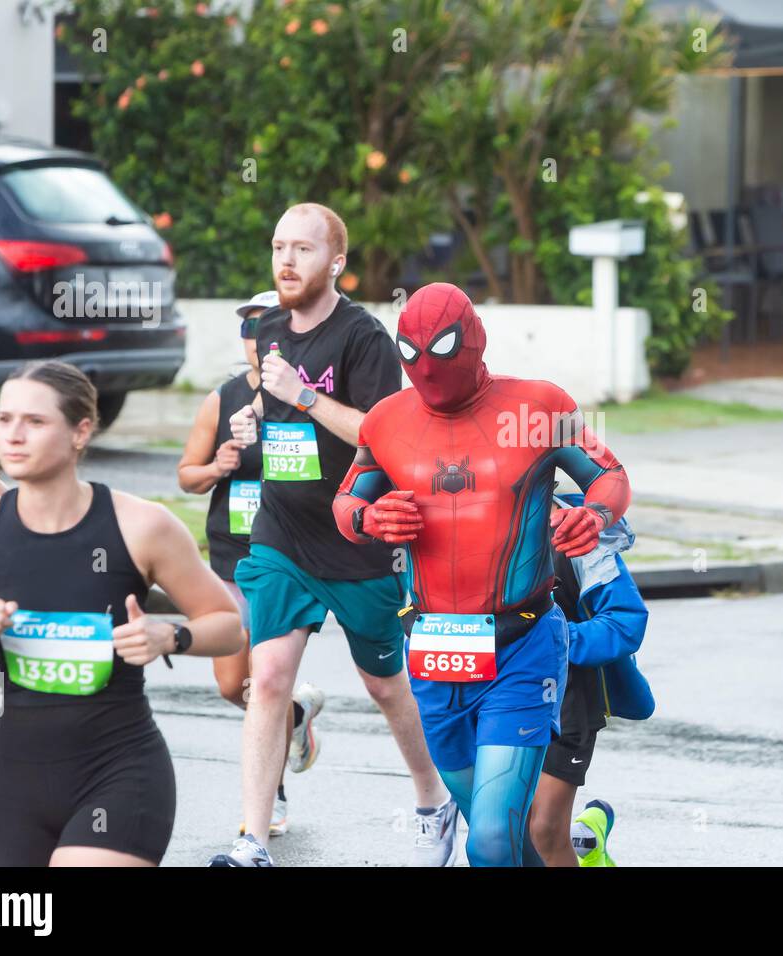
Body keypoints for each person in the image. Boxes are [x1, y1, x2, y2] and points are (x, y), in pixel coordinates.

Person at [333, 282, 632, 867]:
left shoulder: (537, 408)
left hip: (521, 644)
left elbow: (610, 473)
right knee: (505, 838)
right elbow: (344, 504)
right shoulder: (386, 422)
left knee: (491, 837)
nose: (425, 367)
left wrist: (594, 515)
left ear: (474, 340)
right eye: (410, 352)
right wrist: (370, 516)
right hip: (435, 650)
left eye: (441, 348)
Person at [0, 360, 244, 866]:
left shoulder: (143, 525)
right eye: (5, 420)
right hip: (16, 783)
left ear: (81, 431)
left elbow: (228, 625)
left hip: (119, 771)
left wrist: (168, 638)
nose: (14, 436)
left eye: (35, 422)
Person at [212, 204, 453, 868]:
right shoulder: (266, 329)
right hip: (281, 533)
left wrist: (307, 397)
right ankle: (252, 841)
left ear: (336, 262)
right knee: (267, 681)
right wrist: (253, 419)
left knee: (383, 684)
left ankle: (433, 796)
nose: (286, 262)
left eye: (303, 250)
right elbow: (274, 403)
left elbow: (387, 437)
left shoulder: (364, 338)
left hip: (355, 538)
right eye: (278, 247)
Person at [177, 289, 324, 839]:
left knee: (262, 680)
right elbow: (185, 475)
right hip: (232, 554)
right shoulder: (224, 399)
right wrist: (217, 465)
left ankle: (274, 790)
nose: (256, 337)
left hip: (290, 553)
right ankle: (296, 718)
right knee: (230, 684)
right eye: (248, 328)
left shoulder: (315, 394)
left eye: (266, 325)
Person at [527, 492, 651, 867]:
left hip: (567, 700)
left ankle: (577, 845)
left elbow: (625, 622)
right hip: (489, 697)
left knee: (543, 832)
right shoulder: (460, 523)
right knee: (501, 829)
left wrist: (549, 642)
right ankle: (587, 841)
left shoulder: (578, 534)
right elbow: (412, 608)